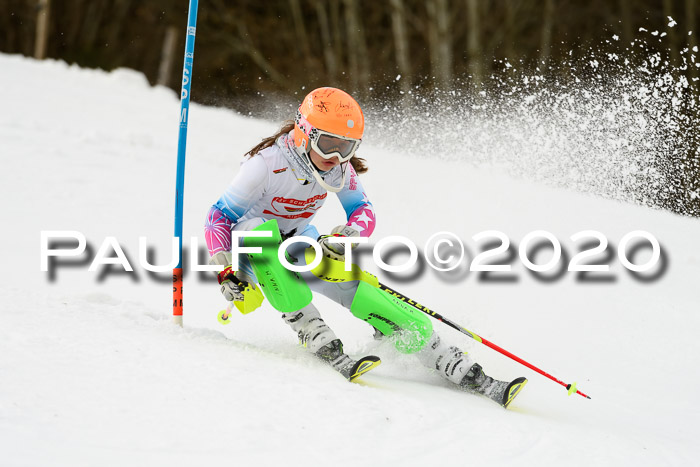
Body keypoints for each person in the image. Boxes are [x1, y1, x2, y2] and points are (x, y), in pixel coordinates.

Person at [204, 87, 525, 407]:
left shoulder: (338, 168)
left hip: (299, 241)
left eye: (347, 147)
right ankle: (310, 327)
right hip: (251, 251)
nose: (337, 157)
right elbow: (218, 216)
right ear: (305, 133)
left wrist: (345, 238)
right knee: (262, 235)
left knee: (359, 287)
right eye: (328, 144)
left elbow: (362, 210)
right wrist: (226, 271)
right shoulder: (266, 164)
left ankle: (438, 351)